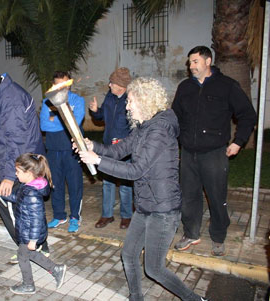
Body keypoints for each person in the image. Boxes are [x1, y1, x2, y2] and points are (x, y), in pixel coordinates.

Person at [77, 77, 208, 301]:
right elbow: (119, 151)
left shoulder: (159, 130)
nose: (127, 106)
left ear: (145, 101)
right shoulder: (144, 127)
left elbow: (135, 170)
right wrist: (93, 147)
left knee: (154, 269)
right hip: (146, 205)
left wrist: (97, 160)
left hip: (163, 210)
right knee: (128, 255)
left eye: (130, 102)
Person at [172, 46, 257, 256]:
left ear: (207, 61)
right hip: (188, 153)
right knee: (189, 197)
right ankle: (191, 233)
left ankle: (218, 237)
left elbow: (248, 115)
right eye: (190, 62)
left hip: (214, 153)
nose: (191, 66)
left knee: (217, 197)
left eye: (195, 61)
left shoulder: (227, 86)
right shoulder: (184, 87)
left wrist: (238, 141)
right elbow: (175, 117)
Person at [0, 65, 49, 263]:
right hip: (25, 160)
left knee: (9, 203)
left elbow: (16, 141)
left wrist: (9, 176)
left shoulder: (10, 100)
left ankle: (27, 250)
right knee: (31, 206)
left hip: (22, 164)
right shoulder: (6, 93)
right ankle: (41, 246)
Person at [0, 153, 66, 295]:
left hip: (30, 233)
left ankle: (28, 285)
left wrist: (33, 240)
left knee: (23, 255)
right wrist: (0, 193)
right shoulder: (27, 186)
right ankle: (56, 269)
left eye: (18, 171)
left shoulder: (32, 193)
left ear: (28, 173)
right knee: (29, 254)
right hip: (27, 230)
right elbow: (17, 198)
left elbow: (36, 219)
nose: (15, 175)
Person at [40, 71, 85, 233]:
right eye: (59, 84)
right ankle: (59, 215)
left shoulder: (77, 101)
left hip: (72, 150)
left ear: (69, 83)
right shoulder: (47, 102)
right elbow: (44, 125)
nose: (62, 87)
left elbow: (75, 122)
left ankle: (75, 217)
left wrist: (56, 120)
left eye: (65, 84)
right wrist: (64, 120)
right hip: (53, 149)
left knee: (75, 185)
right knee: (55, 185)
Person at [89, 67, 133, 229]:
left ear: (121, 86)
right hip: (108, 146)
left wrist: (126, 140)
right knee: (107, 182)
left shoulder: (130, 100)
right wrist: (95, 111)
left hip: (124, 148)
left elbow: (135, 126)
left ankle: (126, 215)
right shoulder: (110, 96)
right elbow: (102, 116)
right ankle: (107, 215)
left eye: (112, 83)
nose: (109, 85)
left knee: (125, 183)